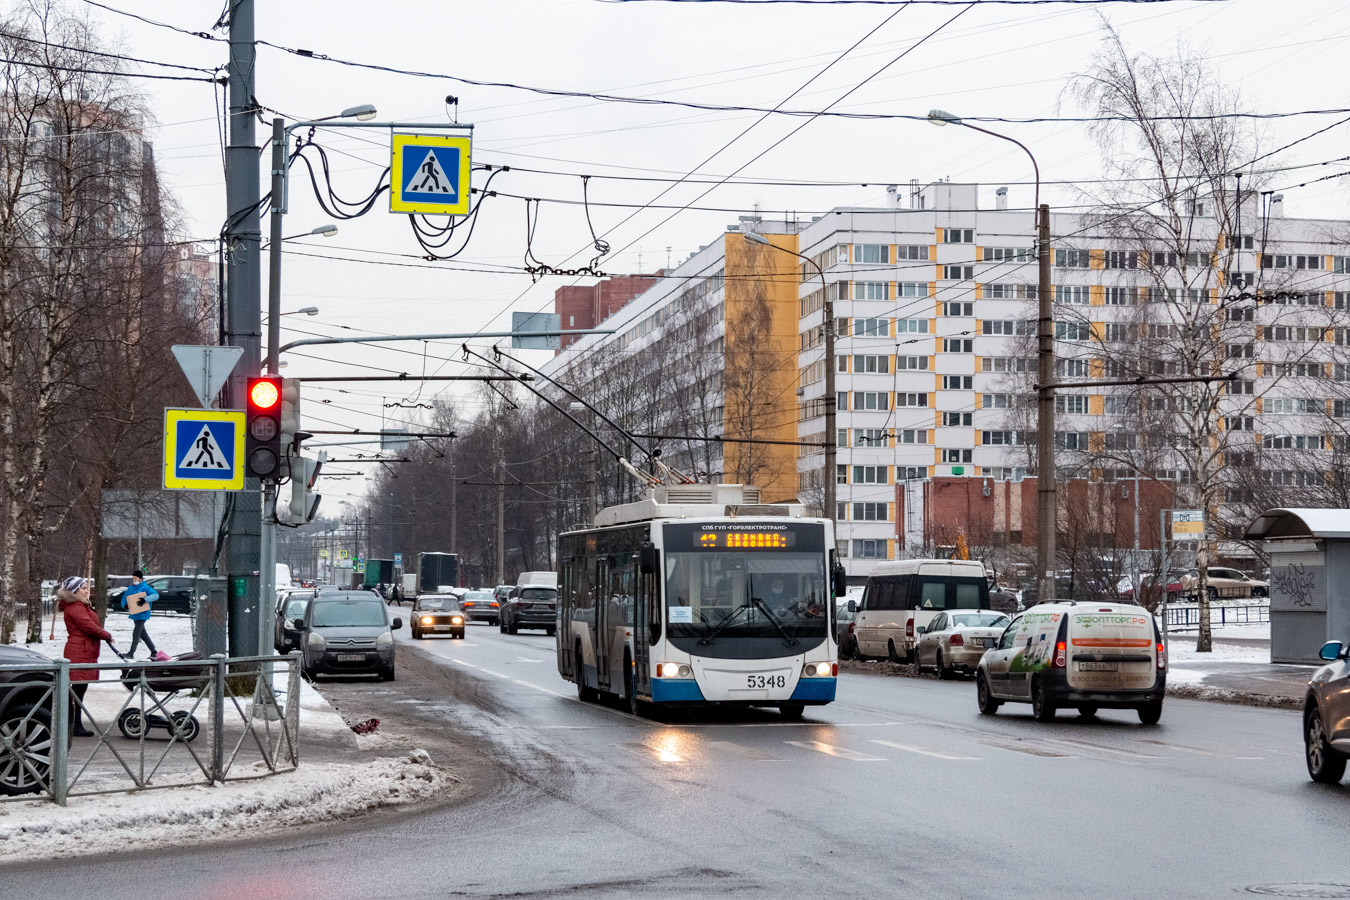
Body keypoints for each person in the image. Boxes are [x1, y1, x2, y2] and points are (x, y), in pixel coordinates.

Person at [58, 576, 115, 738]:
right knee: (76, 690)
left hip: (84, 651)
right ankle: (73, 725)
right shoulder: (76, 606)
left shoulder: (80, 605)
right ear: (74, 591)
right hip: (79, 652)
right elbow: (88, 626)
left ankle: (74, 724)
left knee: (78, 690)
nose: (86, 590)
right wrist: (106, 635)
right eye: (83, 588)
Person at [122, 569, 159, 659]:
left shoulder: (146, 588)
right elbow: (124, 598)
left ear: (141, 579)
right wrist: (125, 605)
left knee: (136, 634)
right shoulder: (130, 589)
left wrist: (145, 599)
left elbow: (156, 595)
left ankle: (131, 653)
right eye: (133, 578)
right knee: (143, 634)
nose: (134, 580)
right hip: (135, 614)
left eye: (136, 578)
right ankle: (154, 651)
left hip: (143, 614)